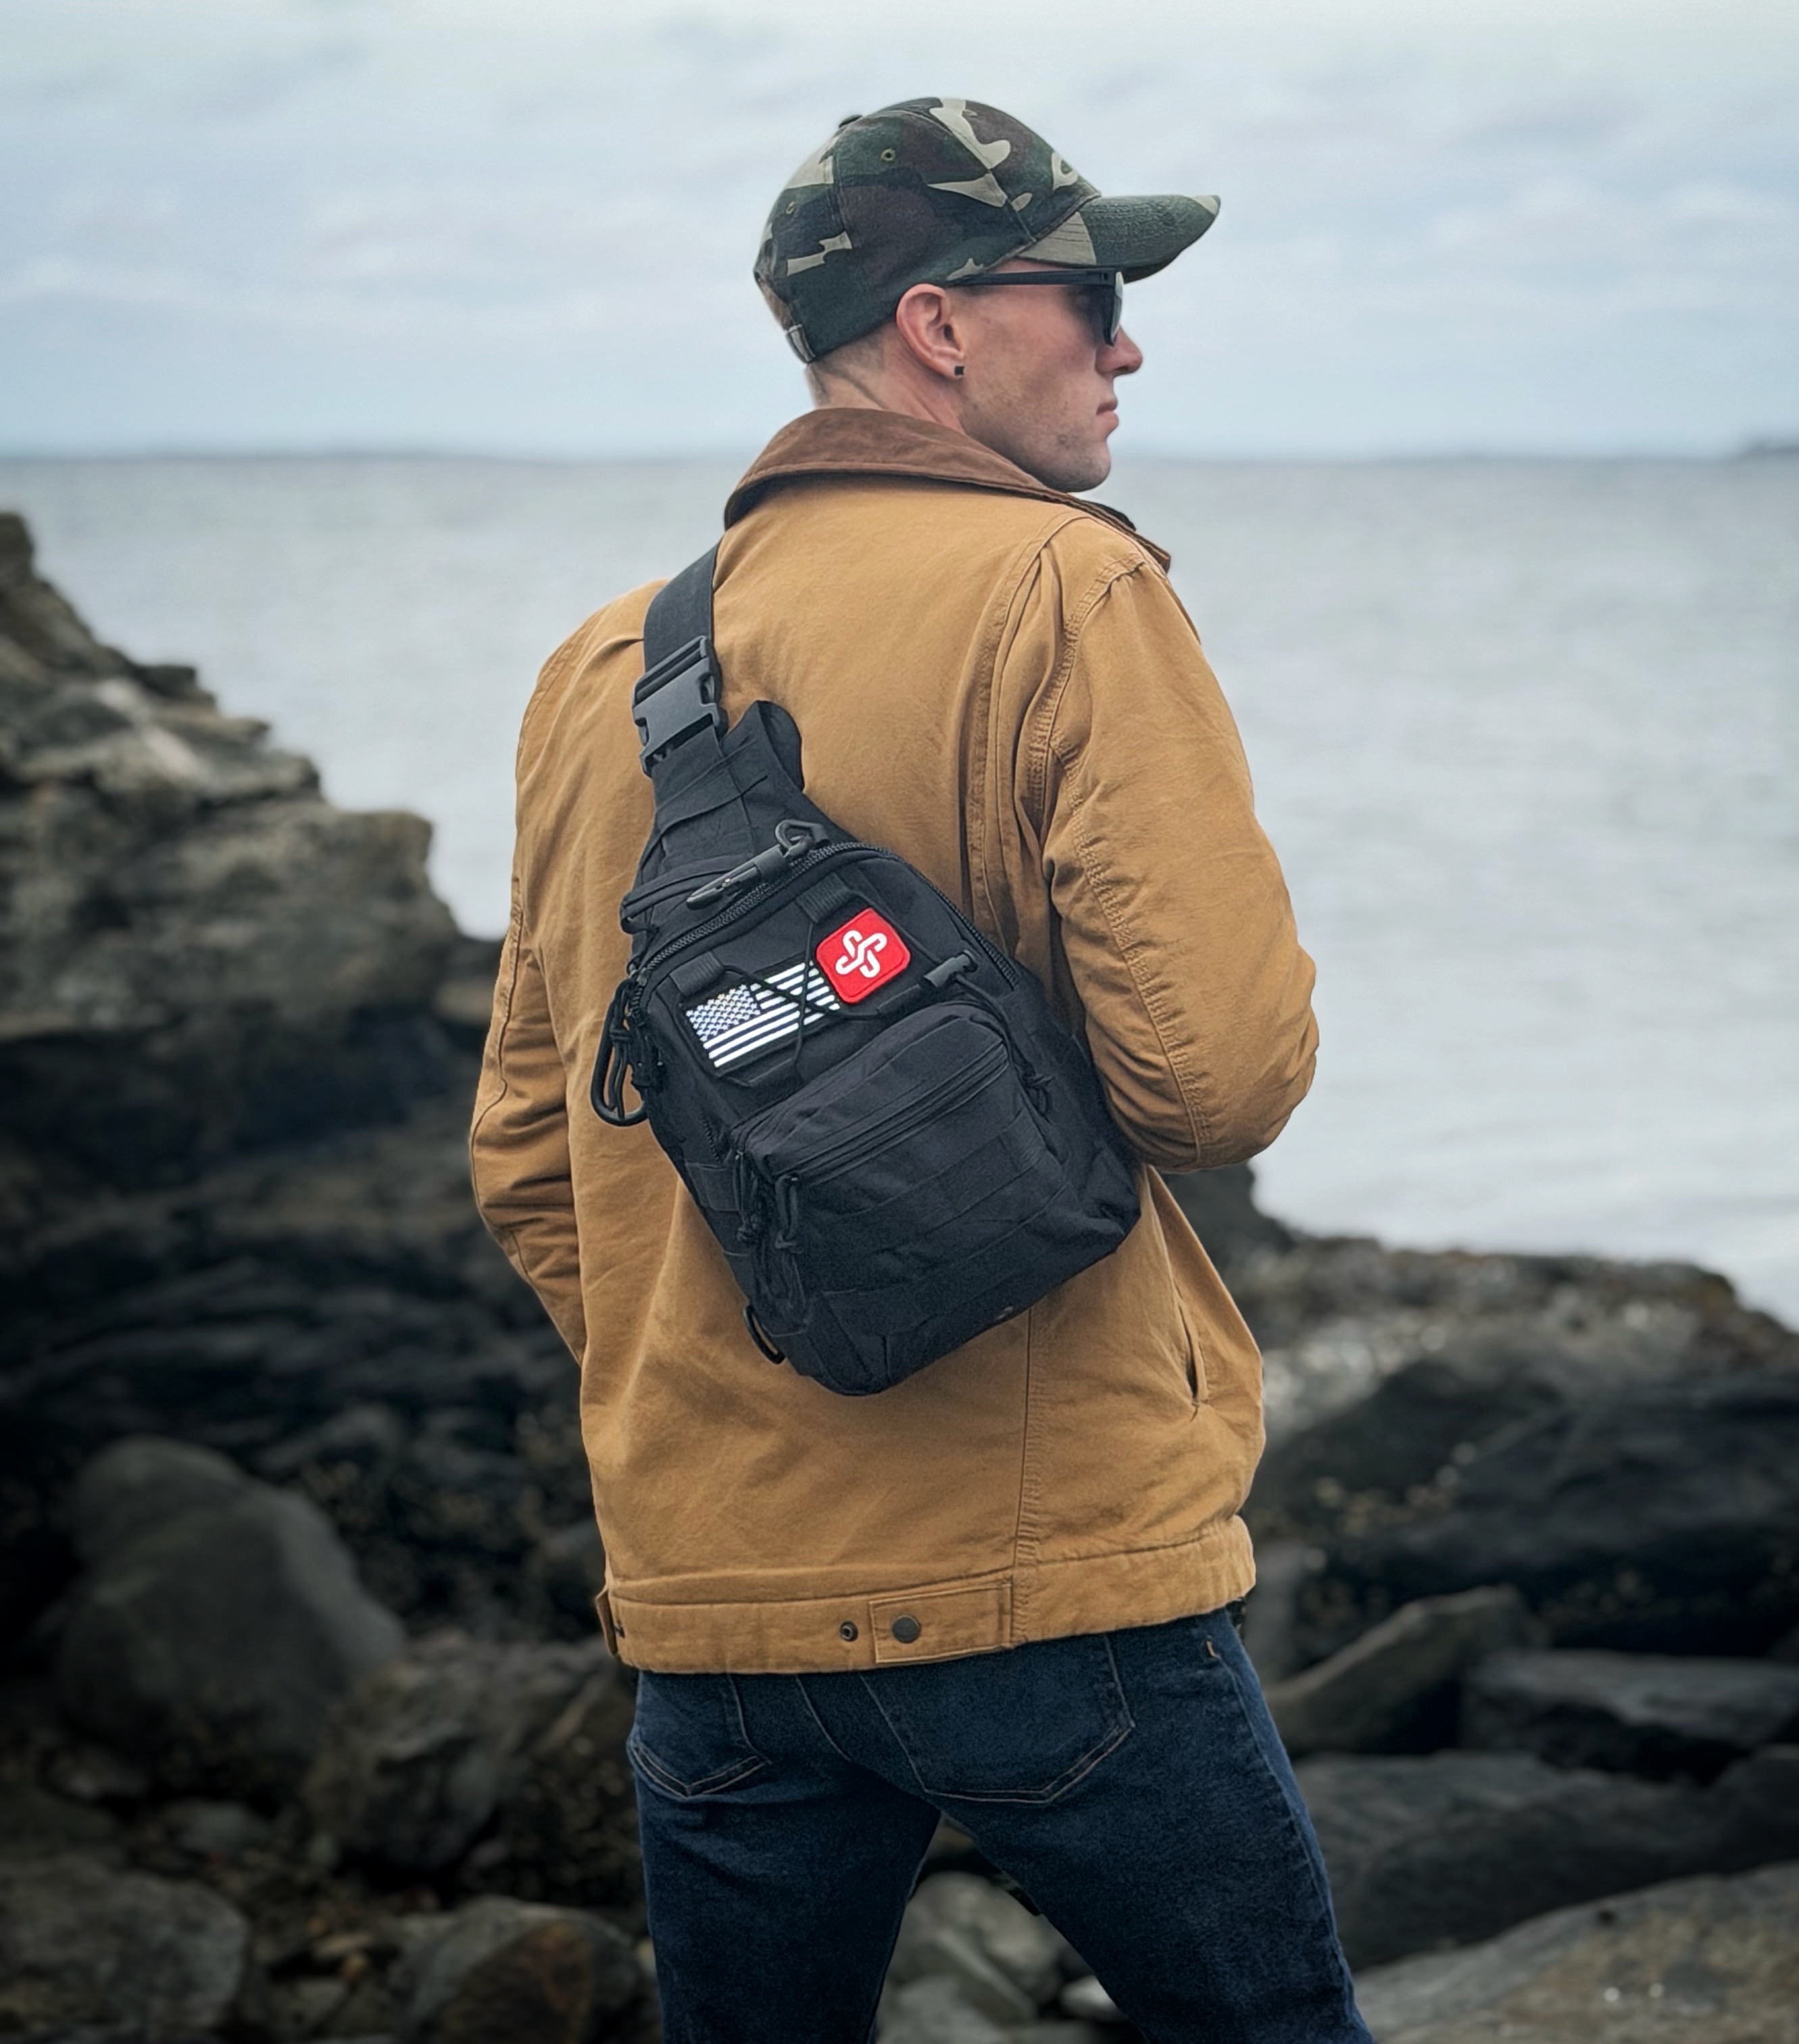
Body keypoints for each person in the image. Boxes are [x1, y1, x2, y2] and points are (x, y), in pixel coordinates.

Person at [471, 95, 1368, 2044]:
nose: (1127, 344)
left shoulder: (597, 670)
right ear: (942, 323)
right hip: (1053, 1587)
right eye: (1093, 293)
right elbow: (1217, 1080)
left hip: (715, 1604)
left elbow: (534, 1162)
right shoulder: (1072, 590)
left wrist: (726, 1371)